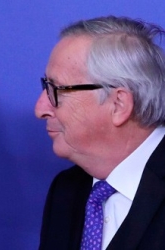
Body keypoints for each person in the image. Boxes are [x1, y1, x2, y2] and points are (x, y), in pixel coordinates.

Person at [35, 16, 165, 250]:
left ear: (118, 104)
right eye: (46, 87)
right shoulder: (66, 190)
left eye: (56, 90)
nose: (40, 109)